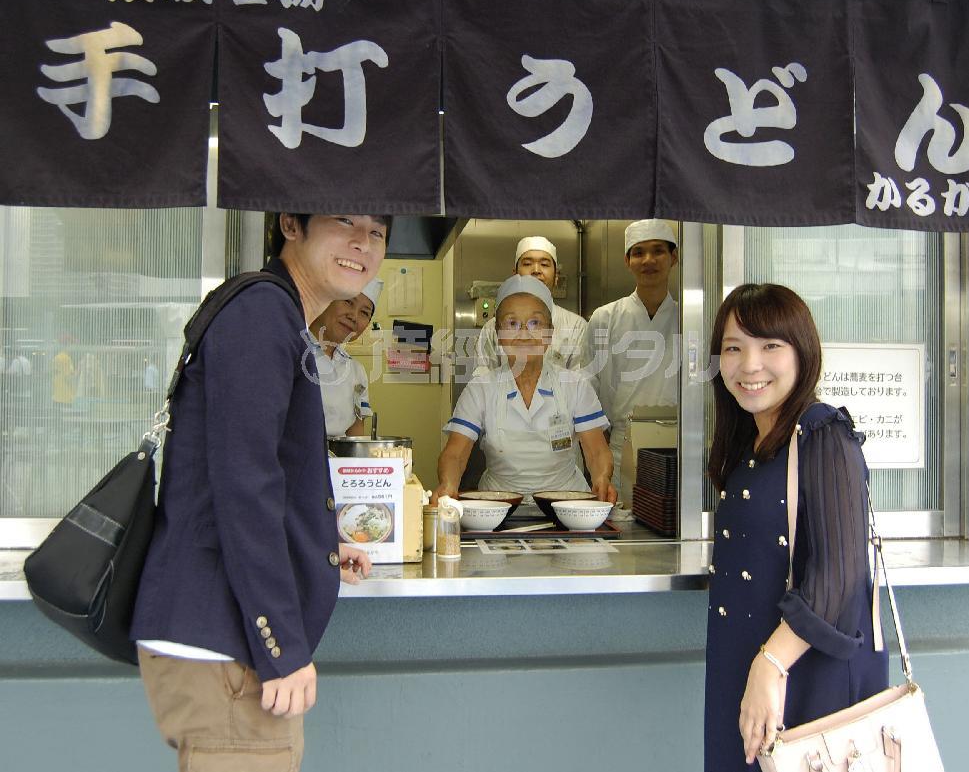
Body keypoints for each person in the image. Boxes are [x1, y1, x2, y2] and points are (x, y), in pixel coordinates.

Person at [130, 213, 389, 772]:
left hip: (224, 638)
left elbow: (254, 469)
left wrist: (317, 544)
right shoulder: (262, 312)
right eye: (344, 221)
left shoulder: (276, 315)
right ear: (290, 224)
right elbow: (245, 485)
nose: (361, 244)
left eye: (377, 232)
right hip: (229, 647)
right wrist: (281, 649)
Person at [703, 283, 888, 771]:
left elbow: (840, 575)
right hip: (745, 669)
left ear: (802, 354)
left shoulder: (825, 435)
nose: (750, 365)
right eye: (733, 348)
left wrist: (771, 665)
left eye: (770, 346)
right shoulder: (749, 442)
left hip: (805, 679)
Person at [436, 274, 615, 505]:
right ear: (498, 335)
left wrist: (602, 477)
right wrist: (448, 483)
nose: (523, 333)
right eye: (512, 323)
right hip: (498, 507)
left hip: (566, 506)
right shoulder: (480, 389)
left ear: (550, 333)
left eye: (535, 323)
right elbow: (455, 453)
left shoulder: (575, 385)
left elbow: (596, 451)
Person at [584, 218, 679, 494]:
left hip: (679, 444)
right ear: (627, 261)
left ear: (674, 257)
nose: (648, 260)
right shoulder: (605, 318)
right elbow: (588, 389)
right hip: (619, 445)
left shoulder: (689, 319)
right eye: (638, 252)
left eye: (658, 250)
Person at [475, 236, 587, 373]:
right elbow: (482, 383)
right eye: (527, 264)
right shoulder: (492, 328)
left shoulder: (576, 327)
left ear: (556, 276)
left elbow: (581, 384)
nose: (536, 270)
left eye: (544, 264)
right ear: (515, 275)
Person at [309, 277, 383, 436]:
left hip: (339, 459)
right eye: (348, 302)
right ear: (326, 300)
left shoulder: (356, 371)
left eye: (364, 312)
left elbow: (355, 434)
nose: (354, 316)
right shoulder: (291, 352)